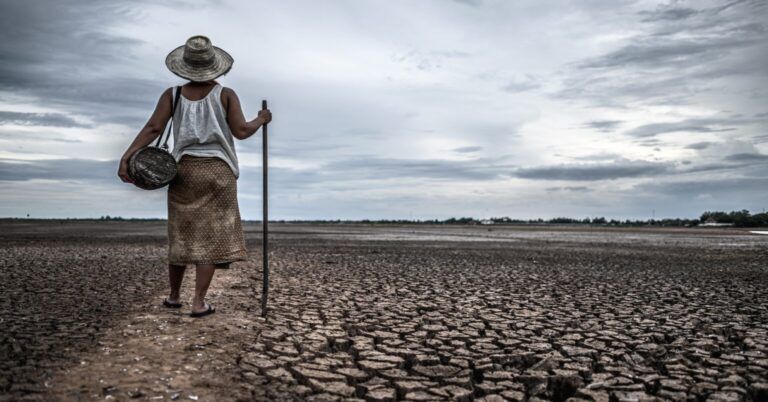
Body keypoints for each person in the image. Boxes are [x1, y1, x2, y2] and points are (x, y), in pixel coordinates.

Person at [118, 35, 272, 318]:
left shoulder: (172, 95)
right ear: (215, 66)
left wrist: (128, 156)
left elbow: (154, 128)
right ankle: (198, 303)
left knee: (181, 233)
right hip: (219, 172)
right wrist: (260, 120)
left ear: (185, 66)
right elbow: (241, 131)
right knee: (210, 239)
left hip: (183, 170)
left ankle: (174, 296)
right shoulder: (226, 94)